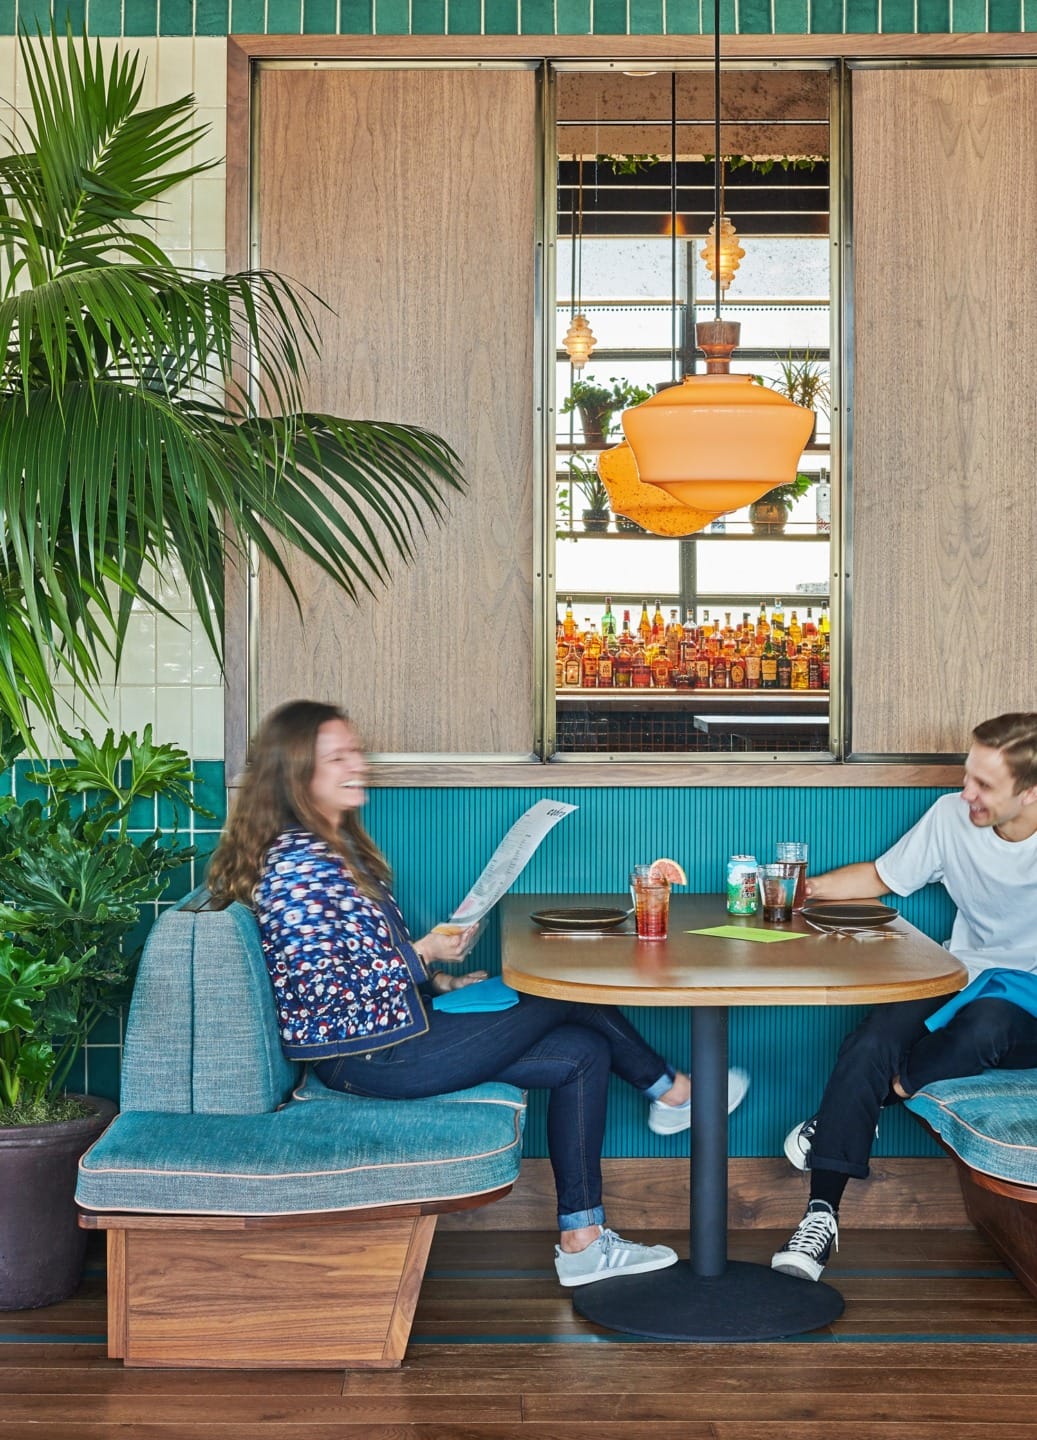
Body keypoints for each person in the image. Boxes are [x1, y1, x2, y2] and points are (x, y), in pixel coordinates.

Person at [208, 699, 750, 1288]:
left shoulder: (336, 850)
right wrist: (425, 954)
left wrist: (440, 979)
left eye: (354, 750)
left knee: (582, 1054)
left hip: (400, 1029)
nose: (357, 764)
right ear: (294, 774)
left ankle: (583, 1241)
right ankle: (672, 1092)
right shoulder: (300, 868)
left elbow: (362, 958)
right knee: (563, 985)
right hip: (368, 1055)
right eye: (336, 757)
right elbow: (325, 990)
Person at [771, 712, 1037, 1284]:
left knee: (987, 1025)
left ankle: (864, 1106)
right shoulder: (951, 818)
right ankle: (820, 1215)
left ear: (1031, 791)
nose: (966, 792)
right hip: (965, 974)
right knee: (875, 1037)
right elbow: (882, 876)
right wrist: (801, 891)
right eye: (968, 775)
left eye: (984, 785)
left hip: (1028, 1006)